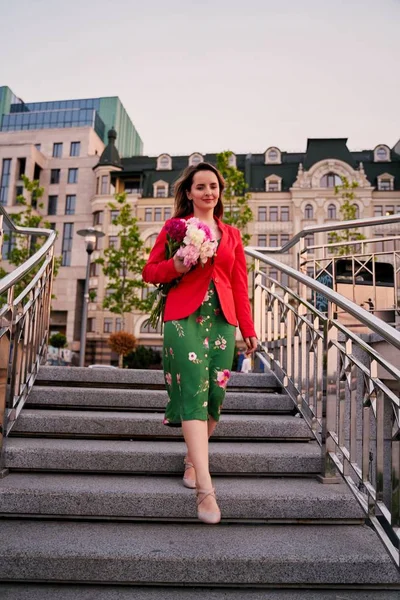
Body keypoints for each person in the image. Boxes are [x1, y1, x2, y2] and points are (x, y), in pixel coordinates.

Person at [142, 162, 258, 525]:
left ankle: (193, 458)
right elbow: (150, 271)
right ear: (189, 193)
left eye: (214, 186)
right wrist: (176, 264)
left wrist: (248, 327)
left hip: (223, 321)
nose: (209, 192)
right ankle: (206, 492)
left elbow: (239, 283)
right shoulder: (174, 228)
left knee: (215, 396)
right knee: (193, 390)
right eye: (201, 187)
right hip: (183, 318)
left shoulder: (233, 235)